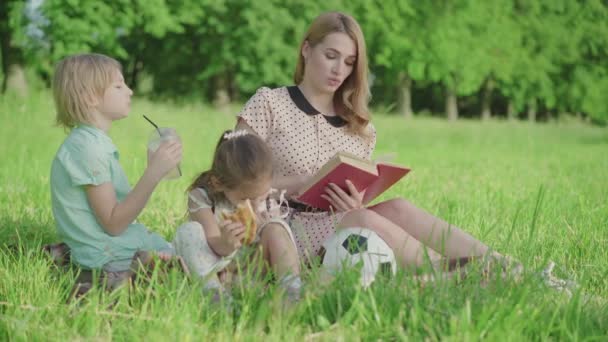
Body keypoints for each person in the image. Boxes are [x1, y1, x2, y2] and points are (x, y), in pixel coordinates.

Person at [235, 12, 514, 272]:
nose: (338, 70)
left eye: (348, 62)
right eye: (331, 56)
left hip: (336, 224)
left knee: (398, 207)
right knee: (362, 220)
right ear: (306, 50)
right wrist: (299, 183)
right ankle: (458, 271)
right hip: (279, 228)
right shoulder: (269, 103)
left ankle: (503, 263)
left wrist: (354, 201)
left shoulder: (360, 127)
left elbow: (355, 202)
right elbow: (230, 180)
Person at [50, 53, 183, 287]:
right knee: (184, 265)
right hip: (107, 258)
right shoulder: (89, 148)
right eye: (119, 85)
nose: (129, 91)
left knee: (179, 247)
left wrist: (157, 169)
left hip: (106, 248)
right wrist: (152, 173)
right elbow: (113, 223)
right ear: (90, 97)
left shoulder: (91, 141)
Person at [172, 129, 302, 301]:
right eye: (245, 198)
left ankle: (291, 289)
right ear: (218, 183)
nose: (255, 205)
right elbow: (211, 241)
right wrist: (226, 244)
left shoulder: (265, 198)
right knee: (188, 231)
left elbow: (271, 246)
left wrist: (265, 226)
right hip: (215, 268)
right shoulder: (201, 198)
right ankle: (214, 295)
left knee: (276, 229)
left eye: (261, 196)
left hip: (249, 271)